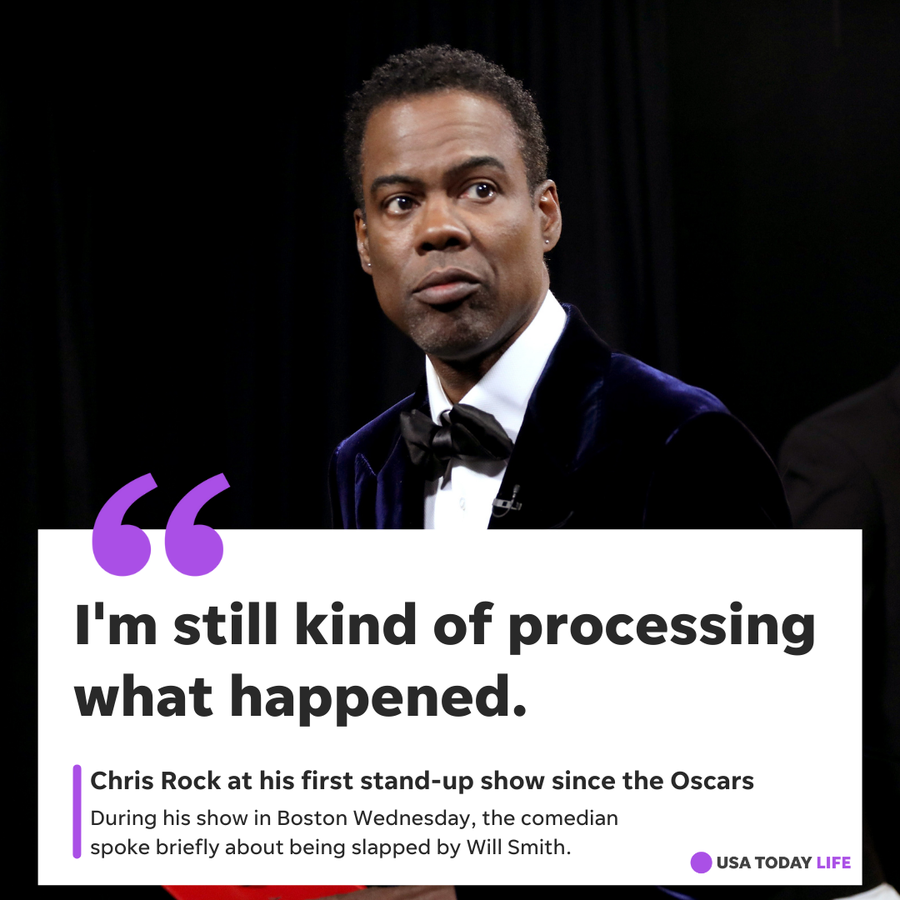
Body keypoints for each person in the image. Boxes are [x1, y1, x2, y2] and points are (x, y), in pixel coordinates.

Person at [329, 45, 789, 532]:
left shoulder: (684, 438)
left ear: (546, 215)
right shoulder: (362, 463)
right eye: (401, 202)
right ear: (364, 242)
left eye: (480, 189)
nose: (437, 229)